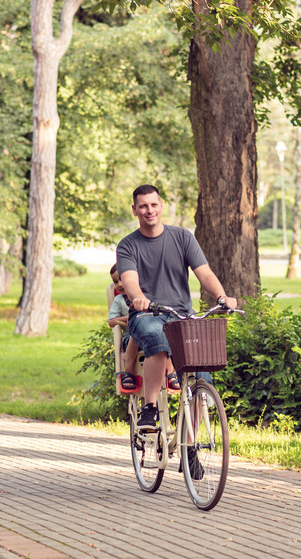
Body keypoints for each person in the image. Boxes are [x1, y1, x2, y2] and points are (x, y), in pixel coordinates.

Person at [116, 184, 238, 432]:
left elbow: (204, 273)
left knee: (202, 370)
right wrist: (138, 297)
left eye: (153, 204)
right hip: (146, 314)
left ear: (161, 206)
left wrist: (222, 296)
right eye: (143, 206)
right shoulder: (128, 245)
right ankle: (149, 409)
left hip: (182, 315)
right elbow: (129, 281)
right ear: (134, 210)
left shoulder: (182, 237)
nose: (149, 210)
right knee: (157, 338)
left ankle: (190, 443)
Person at [108, 264, 179, 393]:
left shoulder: (144, 297)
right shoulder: (119, 300)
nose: (119, 284)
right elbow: (111, 322)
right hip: (130, 338)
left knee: (165, 336)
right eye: (115, 281)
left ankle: (170, 373)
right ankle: (129, 373)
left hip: (151, 334)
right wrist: (127, 319)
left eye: (121, 279)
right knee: (134, 337)